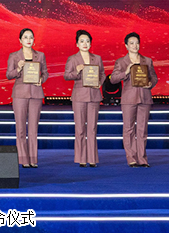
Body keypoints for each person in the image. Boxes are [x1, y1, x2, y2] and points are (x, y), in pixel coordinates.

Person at [110, 32, 158, 167]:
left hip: (145, 97)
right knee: (129, 129)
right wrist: (126, 72)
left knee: (142, 129)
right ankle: (131, 158)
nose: (135, 45)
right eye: (131, 43)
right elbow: (113, 79)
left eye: (137, 43)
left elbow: (154, 77)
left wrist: (150, 83)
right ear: (126, 46)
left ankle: (142, 159)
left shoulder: (147, 60)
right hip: (128, 99)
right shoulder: (121, 61)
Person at [6, 28, 48, 168]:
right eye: (25, 37)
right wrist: (18, 68)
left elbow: (45, 73)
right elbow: (9, 75)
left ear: (34, 40)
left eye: (31, 37)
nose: (28, 40)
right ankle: (23, 159)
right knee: (21, 128)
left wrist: (41, 79)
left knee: (33, 128)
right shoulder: (14, 56)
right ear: (20, 40)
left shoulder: (40, 55)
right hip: (20, 94)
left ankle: (33, 159)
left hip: (36, 93)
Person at [64, 29, 105, 167]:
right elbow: (67, 75)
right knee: (80, 129)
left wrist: (100, 82)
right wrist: (77, 70)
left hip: (94, 96)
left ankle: (92, 158)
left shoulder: (97, 58)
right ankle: (81, 158)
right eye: (82, 41)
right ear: (77, 44)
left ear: (91, 43)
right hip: (79, 96)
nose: (85, 43)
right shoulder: (73, 59)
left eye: (87, 41)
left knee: (92, 129)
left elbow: (102, 74)